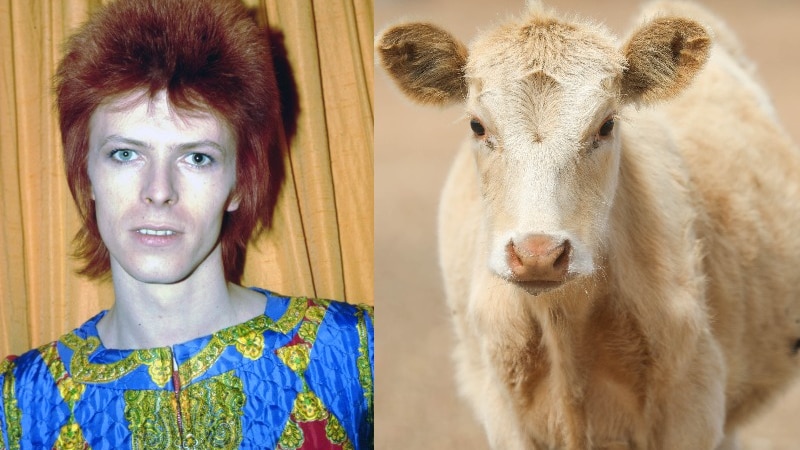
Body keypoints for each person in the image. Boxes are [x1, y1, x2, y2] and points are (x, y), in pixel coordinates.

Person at [0, 0, 374, 449]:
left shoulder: (358, 355)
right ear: (87, 173)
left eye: (197, 157)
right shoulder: (18, 407)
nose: (159, 190)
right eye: (125, 153)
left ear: (240, 183)